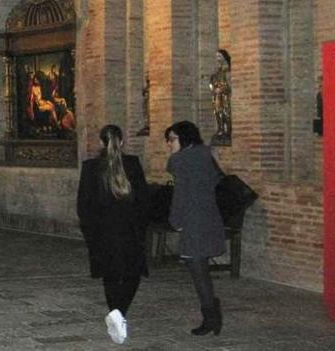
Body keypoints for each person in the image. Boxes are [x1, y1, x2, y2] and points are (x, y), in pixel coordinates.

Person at [77, 125, 150, 344]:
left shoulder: (91, 167)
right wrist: (141, 225)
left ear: (101, 143)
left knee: (110, 274)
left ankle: (116, 312)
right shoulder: (132, 164)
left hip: (103, 231)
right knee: (131, 273)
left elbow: (84, 204)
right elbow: (143, 200)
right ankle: (120, 312)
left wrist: (89, 231)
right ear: (123, 142)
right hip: (128, 229)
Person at [165, 120, 225, 336]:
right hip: (210, 216)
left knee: (197, 269)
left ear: (184, 138)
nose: (169, 144)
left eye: (172, 139)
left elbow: (179, 195)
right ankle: (211, 312)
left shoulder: (181, 160)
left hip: (193, 220)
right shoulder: (207, 154)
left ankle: (211, 316)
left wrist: (175, 220)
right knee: (201, 268)